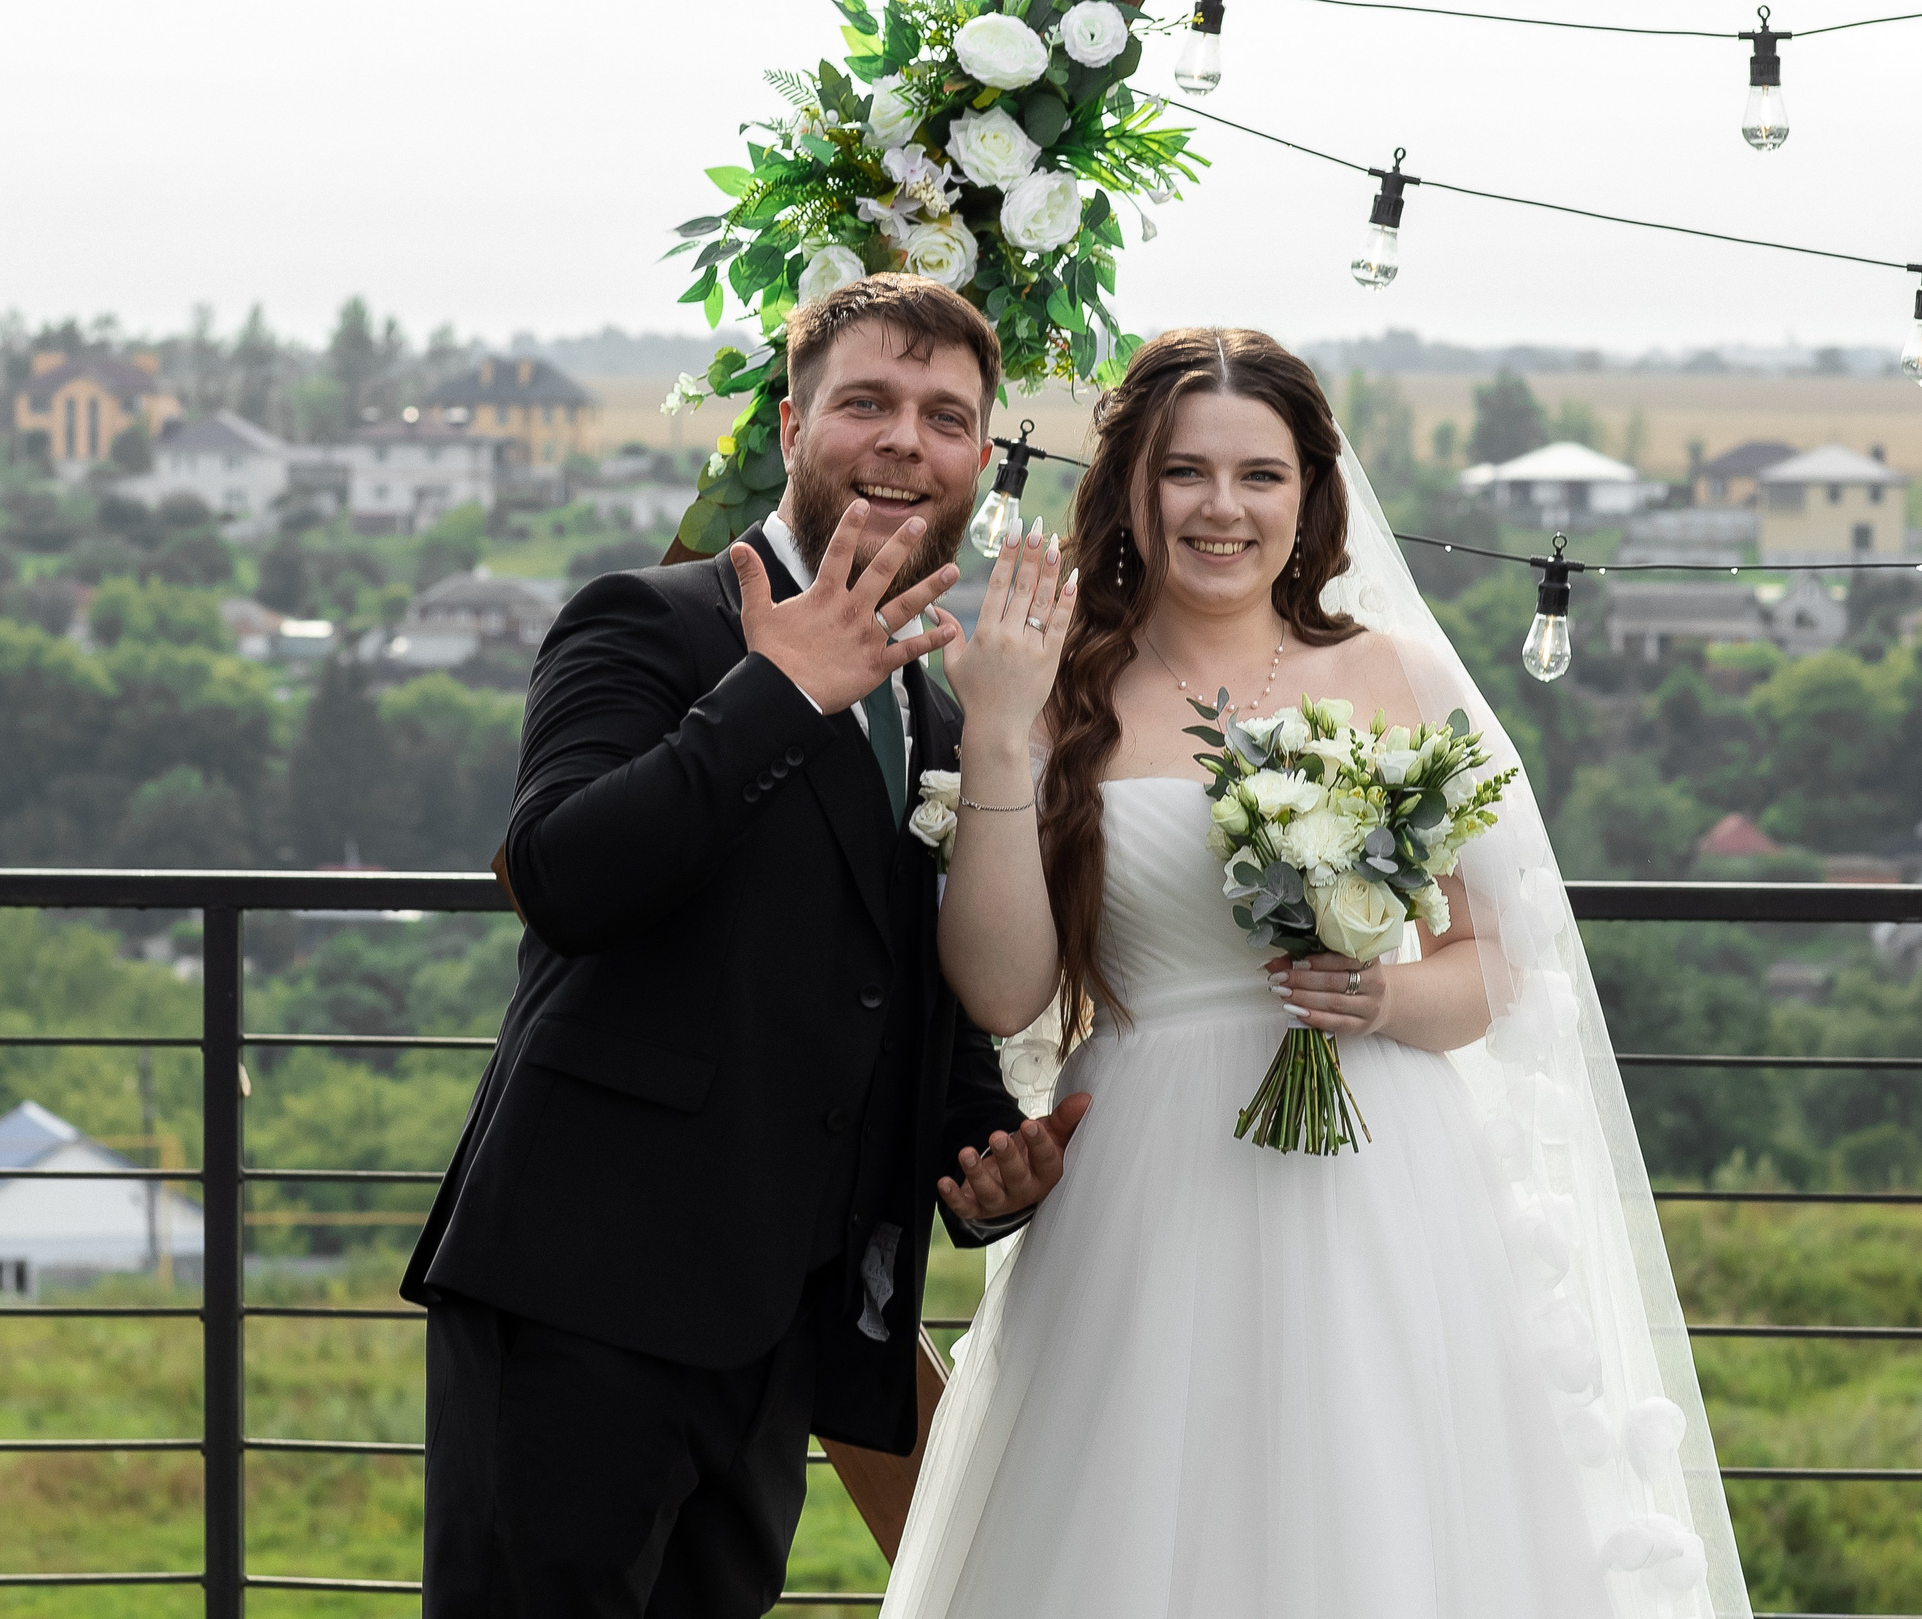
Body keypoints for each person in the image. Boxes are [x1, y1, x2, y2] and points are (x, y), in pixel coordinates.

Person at [886, 328, 1752, 1619]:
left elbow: (1496, 964)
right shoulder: (1061, 684)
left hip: (1381, 1172)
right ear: (1134, 487)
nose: (1221, 508)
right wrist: (1002, 739)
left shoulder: (1390, 676)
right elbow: (1005, 994)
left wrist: (1387, 996)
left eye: (1260, 476)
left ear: (1313, 495)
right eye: (1185, 473)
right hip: (1141, 1172)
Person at [401, 273, 1089, 1619]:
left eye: (948, 418)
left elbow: (883, 995)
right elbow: (562, 877)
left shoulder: (944, 721)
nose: (907, 442)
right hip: (580, 1298)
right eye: (867, 405)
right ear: (790, 426)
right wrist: (773, 693)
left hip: (778, 1331)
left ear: (980, 459)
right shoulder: (648, 621)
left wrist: (978, 1159)